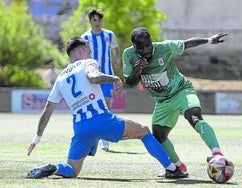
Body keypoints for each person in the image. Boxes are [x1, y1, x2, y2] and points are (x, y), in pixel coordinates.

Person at [26, 37, 188, 179]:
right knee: (144, 131)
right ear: (81, 52)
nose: (91, 55)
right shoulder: (87, 63)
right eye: (89, 52)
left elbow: (47, 110)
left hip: (81, 128)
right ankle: (172, 169)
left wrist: (37, 137)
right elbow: (93, 77)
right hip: (102, 120)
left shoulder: (60, 78)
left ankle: (55, 168)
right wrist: (114, 78)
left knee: (73, 170)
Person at [122, 27, 229, 177]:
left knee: (194, 117)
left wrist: (210, 40)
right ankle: (178, 168)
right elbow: (129, 82)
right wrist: (137, 70)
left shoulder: (164, 48)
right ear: (134, 46)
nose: (146, 50)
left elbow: (187, 43)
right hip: (162, 101)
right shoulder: (128, 55)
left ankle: (217, 153)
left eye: (148, 45)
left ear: (151, 42)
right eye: (141, 47)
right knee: (158, 135)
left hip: (181, 90)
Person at [81, 9, 121, 151]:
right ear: (90, 21)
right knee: (93, 106)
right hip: (92, 77)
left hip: (107, 75)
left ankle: (104, 138)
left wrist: (117, 59)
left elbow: (115, 47)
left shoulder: (109, 34)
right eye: (94, 20)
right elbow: (81, 55)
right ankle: (94, 139)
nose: (97, 22)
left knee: (107, 106)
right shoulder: (85, 37)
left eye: (99, 20)